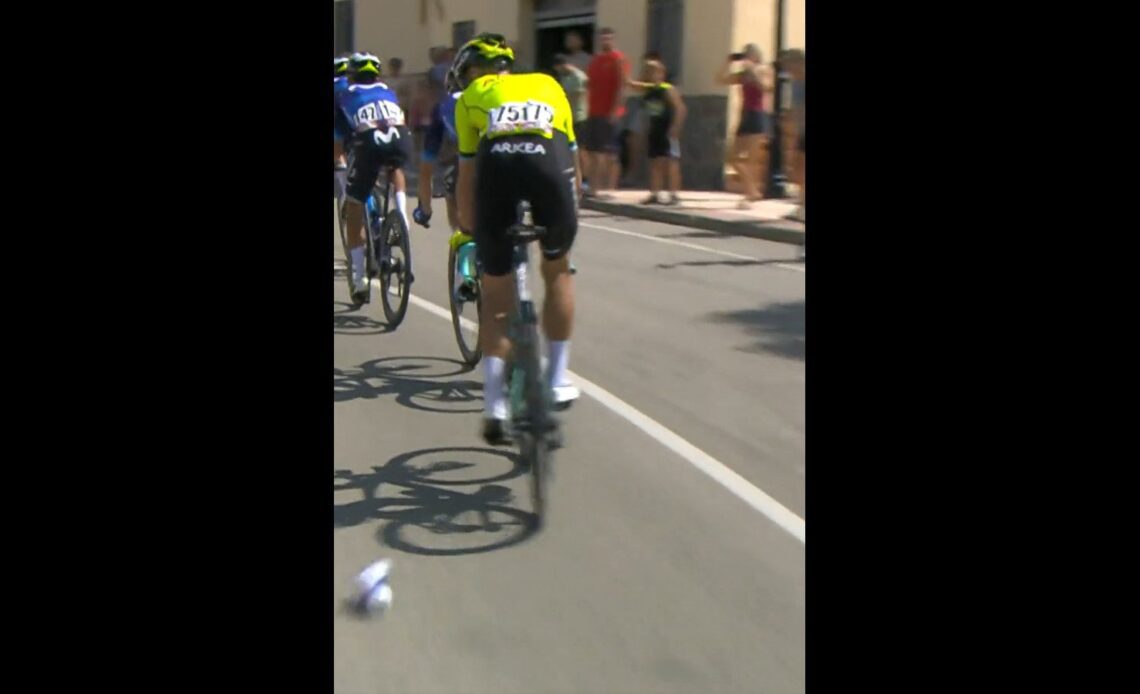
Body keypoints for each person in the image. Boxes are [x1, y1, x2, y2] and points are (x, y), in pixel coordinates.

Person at [449, 33, 583, 445]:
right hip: (549, 168)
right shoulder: (549, 84)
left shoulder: (471, 96)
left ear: (472, 72)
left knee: (496, 292)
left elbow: (468, 173)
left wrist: (470, 226)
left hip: (499, 171)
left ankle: (495, 406)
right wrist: (569, 219)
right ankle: (557, 379)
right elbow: (573, 164)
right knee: (557, 270)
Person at [335, 52, 413, 305]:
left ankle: (359, 279)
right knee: (395, 167)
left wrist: (341, 166)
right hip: (401, 138)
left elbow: (340, 140)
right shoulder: (389, 91)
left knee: (355, 202)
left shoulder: (345, 95)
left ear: (352, 75)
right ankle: (402, 219)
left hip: (368, 143)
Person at [413, 80, 474, 301]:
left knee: (455, 196)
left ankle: (465, 269)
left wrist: (425, 209)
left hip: (470, 162)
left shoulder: (445, 106)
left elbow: (426, 169)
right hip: (514, 156)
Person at [716, 44, 774, 209]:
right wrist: (727, 63)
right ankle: (753, 191)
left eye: (748, 54)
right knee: (732, 158)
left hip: (758, 115)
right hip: (745, 116)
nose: (746, 58)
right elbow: (720, 80)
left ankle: (750, 194)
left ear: (756, 55)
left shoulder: (763, 69)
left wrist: (752, 69)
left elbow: (766, 87)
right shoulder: (742, 75)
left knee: (751, 159)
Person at [628, 59, 686, 205]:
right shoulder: (648, 89)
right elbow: (631, 84)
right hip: (655, 130)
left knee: (671, 162)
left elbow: (681, 108)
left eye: (653, 71)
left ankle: (674, 194)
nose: (650, 74)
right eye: (648, 71)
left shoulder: (667, 89)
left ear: (661, 73)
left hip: (667, 130)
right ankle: (654, 193)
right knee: (654, 162)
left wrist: (676, 127)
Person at [582, 27, 627, 198]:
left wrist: (616, 110)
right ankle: (594, 187)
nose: (605, 41)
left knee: (609, 153)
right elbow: (590, 86)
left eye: (608, 38)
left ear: (613, 40)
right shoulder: (595, 61)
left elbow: (622, 86)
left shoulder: (618, 59)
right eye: (603, 38)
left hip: (609, 113)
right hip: (594, 112)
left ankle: (610, 188)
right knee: (593, 152)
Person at [553, 53, 588, 144]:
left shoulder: (578, 77)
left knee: (579, 145)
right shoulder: (565, 77)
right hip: (569, 117)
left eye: (558, 69)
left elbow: (576, 95)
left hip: (578, 117)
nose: (558, 72)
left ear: (561, 65)